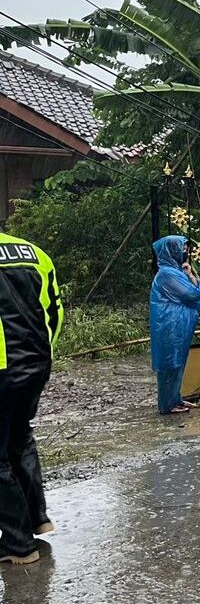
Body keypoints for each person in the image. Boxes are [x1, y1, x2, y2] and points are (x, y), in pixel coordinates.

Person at [0, 231, 62, 565]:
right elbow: (55, 309)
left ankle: (18, 543)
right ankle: (38, 517)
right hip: (37, 362)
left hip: (1, 367)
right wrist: (43, 351)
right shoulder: (33, 252)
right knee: (20, 436)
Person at [150, 236, 200, 415]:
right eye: (183, 249)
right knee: (169, 364)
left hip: (178, 325)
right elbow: (193, 294)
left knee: (178, 361)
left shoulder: (177, 272)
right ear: (171, 250)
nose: (185, 253)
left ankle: (175, 398)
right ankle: (167, 405)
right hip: (169, 325)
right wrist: (192, 282)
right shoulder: (167, 274)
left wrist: (190, 274)